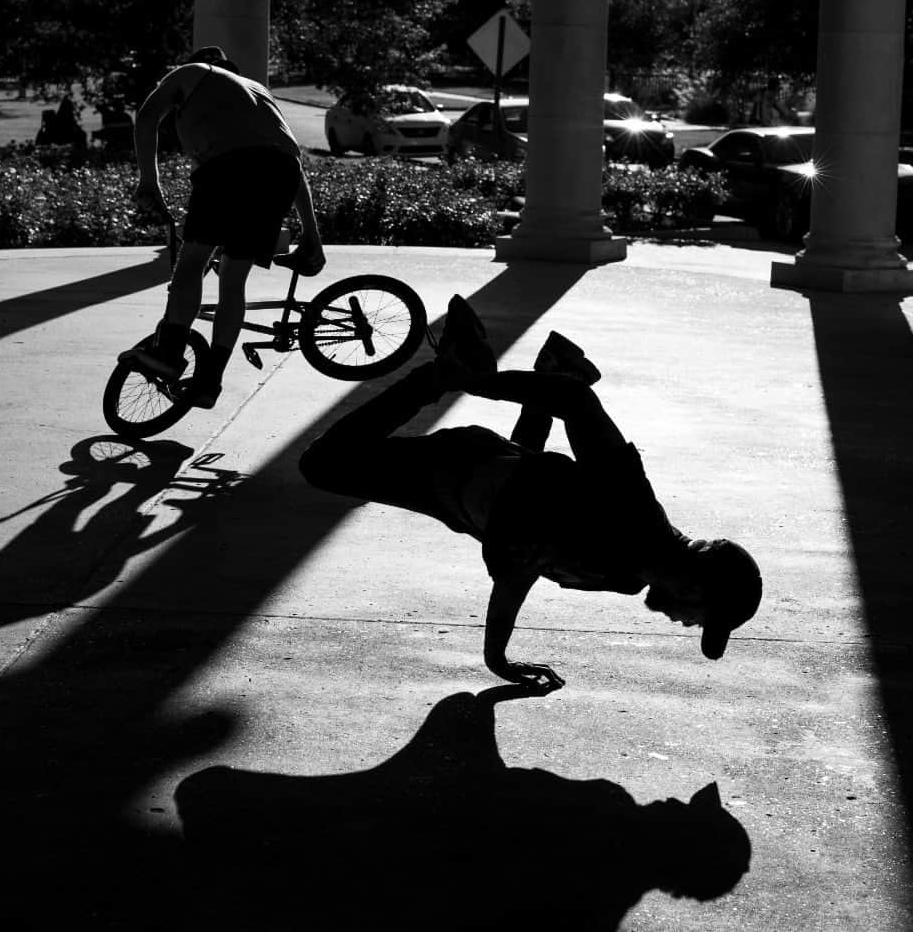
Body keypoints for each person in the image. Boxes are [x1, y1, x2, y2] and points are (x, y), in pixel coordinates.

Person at [299, 296, 762, 691]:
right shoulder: (634, 511)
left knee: (536, 482)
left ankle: (556, 369)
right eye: (701, 617)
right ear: (696, 584)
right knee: (323, 465)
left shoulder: (629, 576)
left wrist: (498, 656)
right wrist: (475, 383)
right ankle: (442, 376)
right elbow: (578, 408)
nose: (688, 625)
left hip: (479, 496)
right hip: (457, 472)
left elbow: (533, 540)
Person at [120, 46, 325, 407]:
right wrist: (312, 234)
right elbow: (291, 164)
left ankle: (168, 355)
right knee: (234, 281)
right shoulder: (259, 94)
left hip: (228, 169)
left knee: (192, 263)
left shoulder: (190, 71)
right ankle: (209, 382)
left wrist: (149, 181)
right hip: (276, 176)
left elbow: (148, 115)